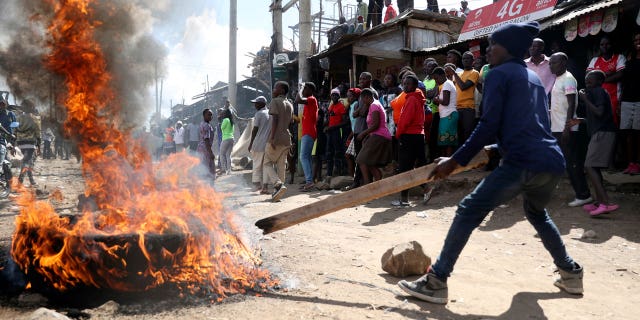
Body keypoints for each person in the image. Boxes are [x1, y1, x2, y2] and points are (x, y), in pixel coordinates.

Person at [397, 21, 583, 305]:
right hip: (550, 160)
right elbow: (535, 127)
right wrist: (495, 148)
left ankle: (436, 281)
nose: (487, 51)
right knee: (536, 213)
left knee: (468, 210)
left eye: (491, 45)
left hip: (522, 160)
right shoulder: (532, 77)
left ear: (504, 48)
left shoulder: (499, 74)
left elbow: (487, 124)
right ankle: (571, 273)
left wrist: (455, 160)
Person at [572, 70, 619, 215]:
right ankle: (600, 202)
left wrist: (585, 99)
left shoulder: (598, 92)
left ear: (599, 81)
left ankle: (605, 204)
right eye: (586, 81)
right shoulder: (595, 93)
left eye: (590, 80)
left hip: (603, 133)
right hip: (599, 132)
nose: (587, 83)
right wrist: (582, 120)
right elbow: (598, 116)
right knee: (594, 167)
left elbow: (599, 112)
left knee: (590, 166)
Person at [549, 52, 592, 207]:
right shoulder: (558, 79)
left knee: (573, 162)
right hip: (559, 127)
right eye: (550, 63)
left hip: (567, 128)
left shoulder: (568, 78)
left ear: (563, 63)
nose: (550, 65)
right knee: (568, 162)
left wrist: (567, 126)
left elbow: (572, 104)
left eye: (554, 63)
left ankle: (583, 194)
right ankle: (581, 193)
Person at [392, 74, 426, 207]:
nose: (405, 86)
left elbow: (405, 120)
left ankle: (405, 199)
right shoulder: (417, 98)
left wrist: (398, 134)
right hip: (418, 135)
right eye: (404, 84)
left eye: (408, 84)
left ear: (415, 86)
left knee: (404, 168)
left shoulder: (411, 99)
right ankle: (425, 188)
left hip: (408, 136)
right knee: (416, 165)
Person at [264, 81, 294, 202]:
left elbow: (275, 120)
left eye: (275, 88)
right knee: (281, 165)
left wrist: (272, 138)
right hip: (286, 138)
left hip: (276, 138)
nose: (273, 90)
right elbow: (291, 122)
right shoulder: (290, 104)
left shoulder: (275, 101)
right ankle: (278, 193)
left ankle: (277, 184)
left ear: (281, 90)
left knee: (266, 163)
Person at [355, 88, 392, 184]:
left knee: (361, 159)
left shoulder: (374, 105)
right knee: (369, 161)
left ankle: (368, 184)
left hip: (380, 136)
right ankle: (377, 183)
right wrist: (368, 135)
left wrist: (363, 133)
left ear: (366, 97)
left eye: (362, 100)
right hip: (378, 135)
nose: (362, 102)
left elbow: (375, 124)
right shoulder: (375, 104)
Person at [587, 35, 626, 126]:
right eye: (602, 44)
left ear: (612, 45)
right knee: (599, 124)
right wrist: (610, 74)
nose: (604, 46)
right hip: (597, 99)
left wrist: (599, 78)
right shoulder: (595, 60)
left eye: (607, 44)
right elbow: (588, 77)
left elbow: (621, 74)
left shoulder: (619, 58)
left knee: (614, 125)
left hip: (614, 98)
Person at [448, 51, 480, 147]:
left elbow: (463, 86)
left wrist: (454, 73)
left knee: (467, 133)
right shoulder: (459, 73)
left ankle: (470, 158)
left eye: (467, 58)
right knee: (459, 135)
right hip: (457, 108)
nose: (465, 60)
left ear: (472, 61)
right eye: (463, 59)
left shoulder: (474, 73)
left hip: (468, 108)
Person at [620, 32, 640, 174]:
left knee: (638, 133)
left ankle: (637, 163)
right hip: (627, 99)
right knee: (627, 134)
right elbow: (624, 80)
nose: (637, 41)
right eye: (635, 39)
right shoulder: (629, 56)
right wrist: (621, 100)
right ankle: (630, 163)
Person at [295, 82, 319, 192]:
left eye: (305, 89)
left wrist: (299, 89)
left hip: (309, 132)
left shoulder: (311, 99)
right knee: (307, 158)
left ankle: (309, 182)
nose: (303, 91)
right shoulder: (310, 100)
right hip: (309, 132)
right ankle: (309, 181)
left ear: (309, 89)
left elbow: (298, 100)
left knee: (303, 157)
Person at [432, 67, 458, 156]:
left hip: (449, 115)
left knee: (448, 142)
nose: (436, 81)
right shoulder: (446, 84)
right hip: (446, 115)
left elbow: (446, 102)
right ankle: (446, 161)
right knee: (445, 141)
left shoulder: (447, 84)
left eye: (436, 78)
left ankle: (448, 162)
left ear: (443, 75)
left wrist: (437, 99)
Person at [15, 99, 41, 187]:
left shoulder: (18, 118)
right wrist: (39, 146)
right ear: (32, 107)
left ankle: (31, 181)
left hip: (21, 143)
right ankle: (20, 181)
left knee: (28, 162)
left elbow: (14, 129)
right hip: (30, 144)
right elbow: (38, 133)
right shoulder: (35, 118)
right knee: (26, 162)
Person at [248, 96, 271, 194]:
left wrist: (251, 143)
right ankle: (265, 187)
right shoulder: (270, 113)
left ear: (262, 104)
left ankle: (257, 185)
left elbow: (255, 130)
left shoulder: (258, 114)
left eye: (256, 103)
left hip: (258, 143)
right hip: (268, 143)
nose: (255, 105)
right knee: (266, 165)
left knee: (257, 164)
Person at [325, 88, 348, 179]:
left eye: (336, 95)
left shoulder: (341, 106)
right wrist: (326, 126)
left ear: (338, 96)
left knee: (338, 152)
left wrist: (333, 127)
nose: (334, 96)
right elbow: (330, 119)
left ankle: (338, 173)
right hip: (330, 132)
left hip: (337, 131)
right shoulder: (331, 106)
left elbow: (345, 121)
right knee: (329, 153)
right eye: (332, 95)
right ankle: (329, 174)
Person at [197, 108, 216, 182]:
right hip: (205, 149)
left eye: (211, 115)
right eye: (208, 115)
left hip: (200, 148)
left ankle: (204, 184)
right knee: (209, 167)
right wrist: (211, 153)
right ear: (204, 115)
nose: (210, 116)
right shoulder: (207, 126)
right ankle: (209, 185)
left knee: (203, 167)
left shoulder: (202, 124)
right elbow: (206, 139)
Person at [219, 108, 234, 175]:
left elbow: (222, 128)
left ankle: (224, 170)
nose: (223, 114)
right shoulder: (231, 121)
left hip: (225, 138)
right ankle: (229, 170)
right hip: (231, 138)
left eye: (224, 113)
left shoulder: (225, 120)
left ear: (226, 114)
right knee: (228, 155)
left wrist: (221, 122)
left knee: (222, 154)